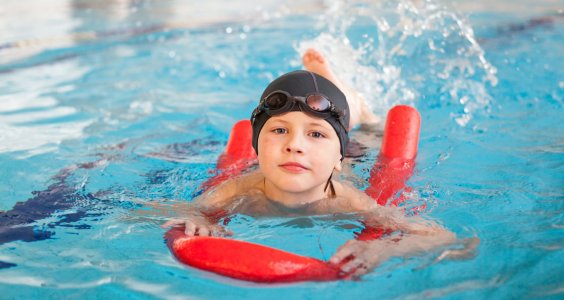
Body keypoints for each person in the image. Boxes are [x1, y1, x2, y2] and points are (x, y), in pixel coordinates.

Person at [161, 49, 476, 277]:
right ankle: (338, 105)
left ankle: (357, 108)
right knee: (336, 123)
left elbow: (442, 237)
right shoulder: (241, 190)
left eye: (314, 134)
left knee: (370, 130)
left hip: (351, 156)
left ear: (336, 159)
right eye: (280, 130)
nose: (294, 145)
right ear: (256, 151)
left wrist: (381, 249)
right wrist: (199, 220)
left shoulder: (348, 202)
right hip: (333, 152)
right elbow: (164, 213)